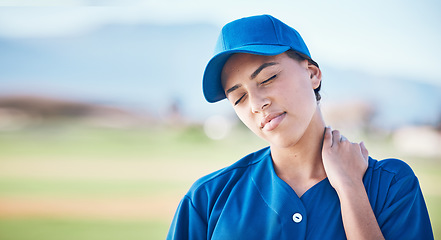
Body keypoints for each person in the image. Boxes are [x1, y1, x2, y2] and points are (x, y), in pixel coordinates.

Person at [167, 14, 433, 239]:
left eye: (268, 78)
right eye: (239, 97)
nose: (257, 104)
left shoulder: (391, 185)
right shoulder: (206, 199)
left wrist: (351, 188)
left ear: (313, 74)